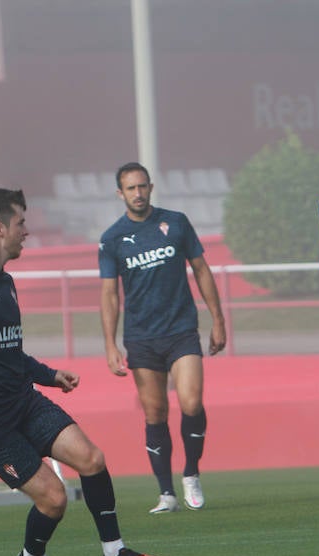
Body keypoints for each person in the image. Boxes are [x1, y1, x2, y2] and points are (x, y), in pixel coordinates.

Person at [0, 188, 167, 556]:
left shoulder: (5, 282)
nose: (27, 231)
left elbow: (7, 352)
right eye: (21, 223)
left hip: (24, 401)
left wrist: (48, 375)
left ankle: (116, 554)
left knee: (91, 458)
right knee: (54, 499)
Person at [99, 162, 226, 514]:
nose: (137, 193)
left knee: (191, 402)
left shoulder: (177, 222)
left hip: (181, 330)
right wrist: (110, 344)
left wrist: (217, 319)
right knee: (155, 412)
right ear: (120, 193)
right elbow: (109, 295)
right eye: (130, 188)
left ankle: (191, 473)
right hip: (141, 338)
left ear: (151, 188)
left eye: (142, 186)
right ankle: (166, 493)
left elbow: (201, 269)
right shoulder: (111, 239)